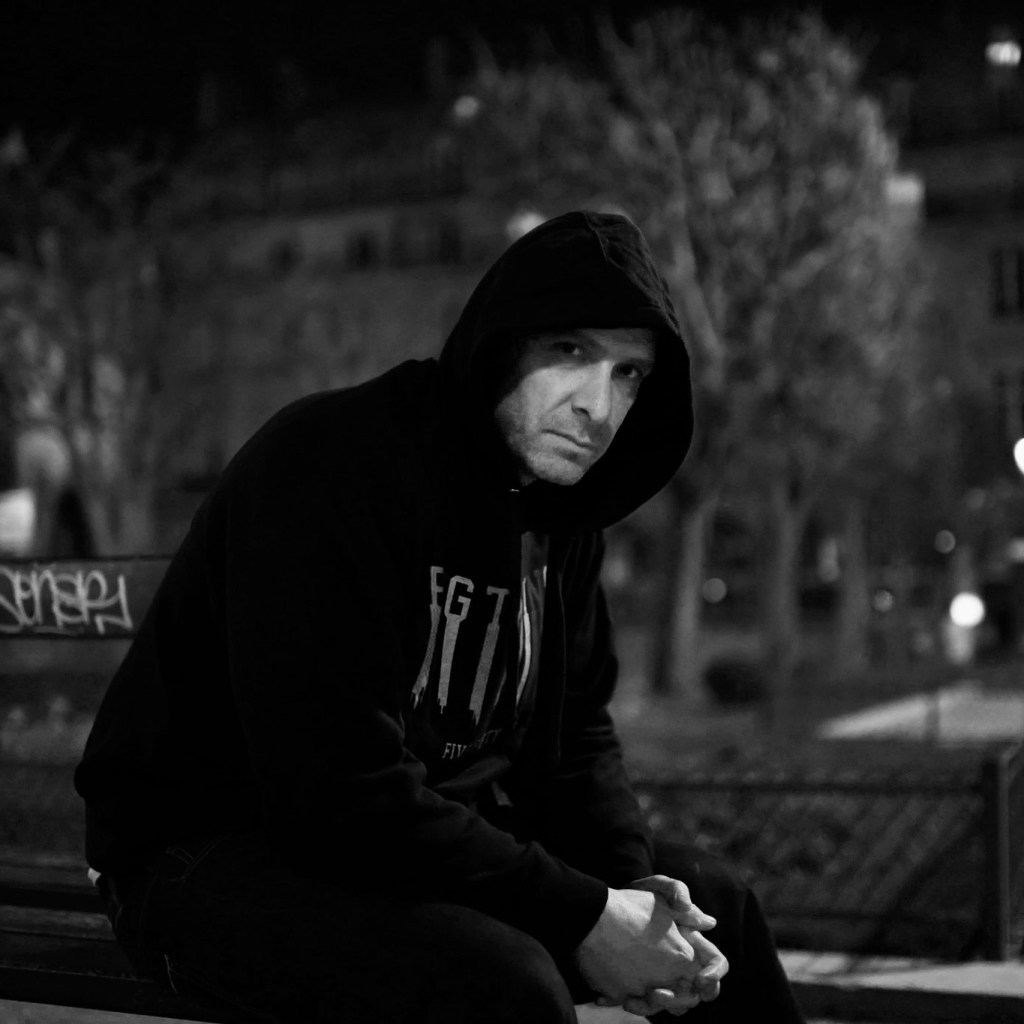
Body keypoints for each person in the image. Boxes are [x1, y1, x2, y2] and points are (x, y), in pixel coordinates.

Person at [74, 211, 805, 1023]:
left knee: (714, 909)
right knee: (502, 982)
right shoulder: (332, 467)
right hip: (202, 850)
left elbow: (575, 741)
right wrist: (582, 914)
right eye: (569, 351)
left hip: (410, 836)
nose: (599, 407)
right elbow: (334, 790)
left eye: (629, 373)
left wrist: (628, 888)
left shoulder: (562, 514)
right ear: (501, 343)